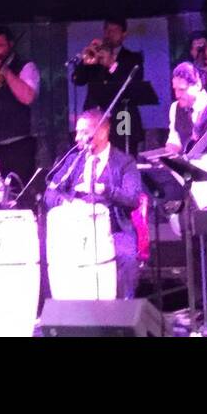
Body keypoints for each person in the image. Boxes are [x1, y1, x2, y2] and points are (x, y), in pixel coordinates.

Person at [45, 109, 143, 298]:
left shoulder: (124, 162)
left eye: (84, 132)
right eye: (77, 132)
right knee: (47, 250)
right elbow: (50, 192)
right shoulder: (73, 161)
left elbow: (133, 198)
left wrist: (105, 190)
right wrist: (66, 203)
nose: (77, 138)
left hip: (114, 229)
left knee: (126, 257)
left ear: (102, 132)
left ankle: (123, 309)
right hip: (76, 228)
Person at [0, 26, 40, 200]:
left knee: (17, 196)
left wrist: (6, 72)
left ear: (11, 45)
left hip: (17, 147)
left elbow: (27, 97)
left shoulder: (26, 66)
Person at [71, 18, 145, 153]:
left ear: (124, 34)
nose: (109, 34)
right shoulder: (97, 55)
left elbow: (134, 84)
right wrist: (85, 63)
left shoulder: (133, 58)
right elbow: (77, 80)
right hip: (95, 122)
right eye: (107, 30)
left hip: (122, 119)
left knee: (123, 158)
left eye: (114, 30)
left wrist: (111, 64)